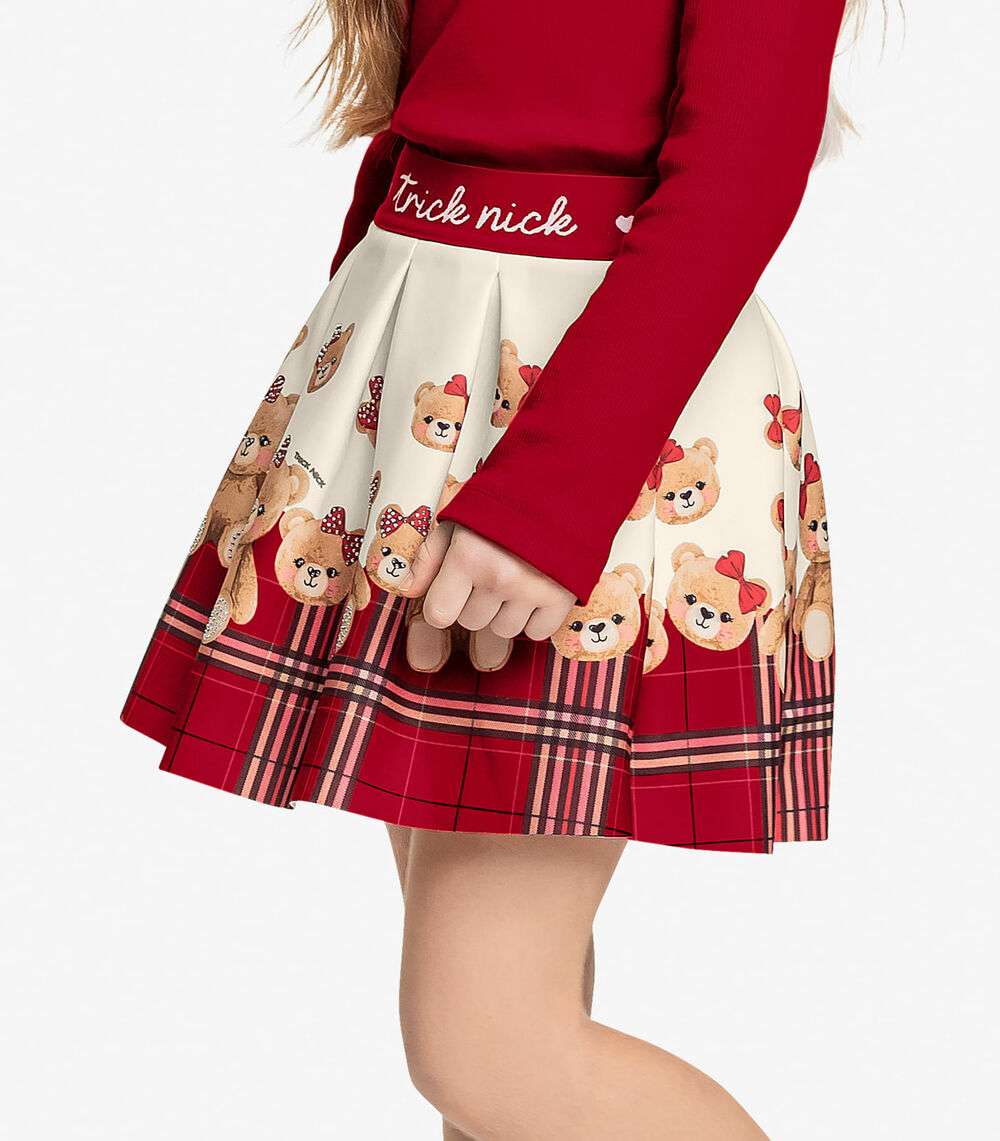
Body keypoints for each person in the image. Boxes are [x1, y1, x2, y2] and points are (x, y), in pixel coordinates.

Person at [122, 1, 862, 1134]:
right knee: (499, 1030)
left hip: (591, 410)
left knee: (488, 1044)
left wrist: (550, 502)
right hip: (414, 380)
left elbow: (740, 174)